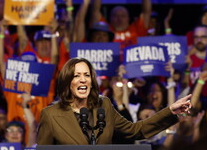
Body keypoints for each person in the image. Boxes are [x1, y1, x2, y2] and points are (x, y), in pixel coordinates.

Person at [37, 58, 191, 145]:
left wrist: (170, 110)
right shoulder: (51, 115)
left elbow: (135, 131)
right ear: (67, 81)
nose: (83, 80)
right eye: (76, 76)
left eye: (87, 75)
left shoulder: (104, 105)